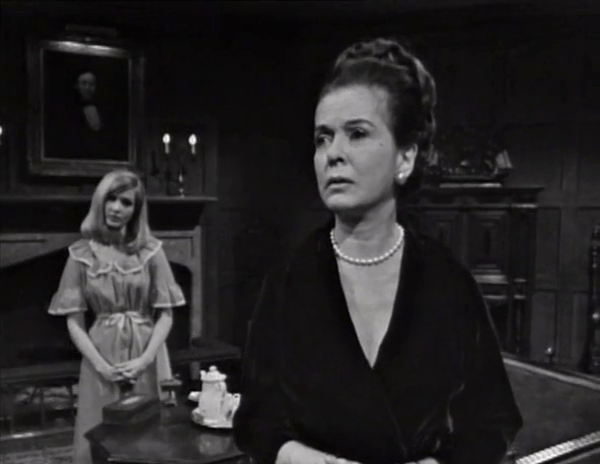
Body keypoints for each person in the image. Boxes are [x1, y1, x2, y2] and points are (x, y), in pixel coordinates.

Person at [232, 38, 523, 464]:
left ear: (405, 158)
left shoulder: (448, 284)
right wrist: (297, 457)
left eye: (357, 134)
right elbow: (256, 420)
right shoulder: (287, 283)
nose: (333, 154)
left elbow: (491, 423)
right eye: (323, 138)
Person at [48, 169, 185, 464]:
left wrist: (144, 360)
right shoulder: (80, 255)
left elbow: (166, 315)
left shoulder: (151, 252)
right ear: (99, 201)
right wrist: (102, 367)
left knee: (150, 436)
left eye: (126, 202)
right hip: (102, 355)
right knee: (101, 432)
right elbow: (74, 322)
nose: (116, 208)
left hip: (146, 353)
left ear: (136, 210)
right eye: (111, 199)